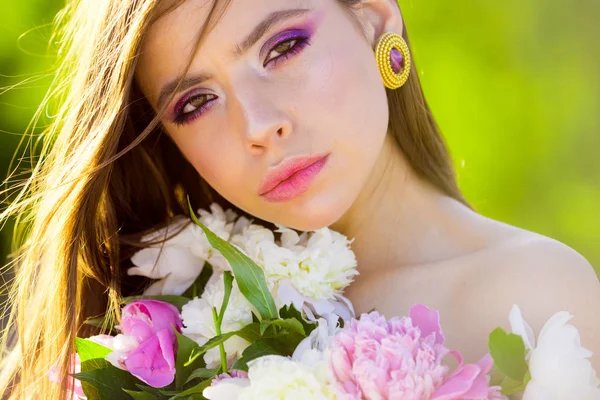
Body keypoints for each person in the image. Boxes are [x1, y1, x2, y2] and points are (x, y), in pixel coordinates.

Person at [1, 0, 599, 397]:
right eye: (195, 103)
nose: (257, 126)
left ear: (372, 18)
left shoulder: (537, 295)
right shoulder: (170, 316)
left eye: (282, 48)